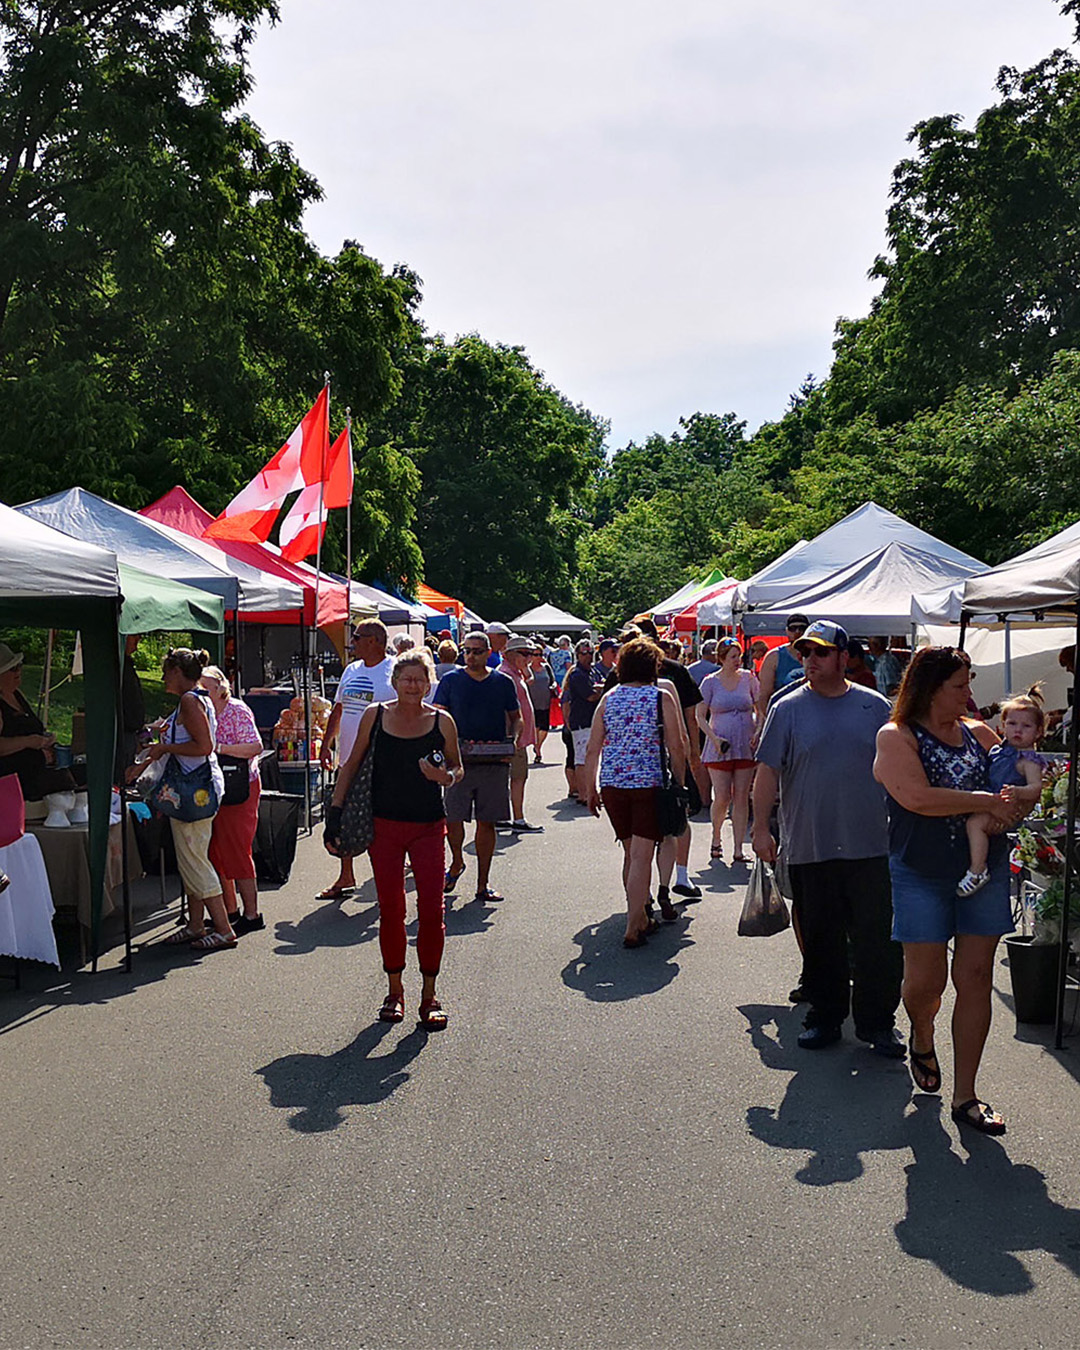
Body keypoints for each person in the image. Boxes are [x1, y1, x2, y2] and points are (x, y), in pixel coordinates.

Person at [873, 646, 1016, 1135]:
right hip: (921, 870)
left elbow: (1012, 788)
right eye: (960, 685)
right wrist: (982, 802)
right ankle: (922, 1028)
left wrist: (1015, 803)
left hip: (984, 869)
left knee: (974, 977)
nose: (969, 694)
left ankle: (966, 1095)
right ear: (930, 687)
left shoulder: (980, 734)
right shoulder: (896, 736)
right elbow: (916, 798)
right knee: (925, 983)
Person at [752, 621, 904, 1054]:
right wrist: (760, 829)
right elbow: (767, 772)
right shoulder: (788, 708)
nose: (811, 661)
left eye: (820, 652)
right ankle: (825, 1017)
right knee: (822, 939)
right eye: (805, 653)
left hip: (871, 845)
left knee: (878, 941)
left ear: (844, 658)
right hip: (809, 845)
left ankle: (877, 1022)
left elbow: (899, 768)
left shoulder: (874, 707)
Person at [326, 649, 463, 1028]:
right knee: (392, 911)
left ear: (429, 682)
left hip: (429, 826)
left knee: (433, 913)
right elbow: (351, 765)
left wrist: (445, 778)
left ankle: (429, 994)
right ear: (395, 681)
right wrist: (334, 815)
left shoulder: (442, 721)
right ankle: (395, 990)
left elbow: (457, 766)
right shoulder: (376, 715)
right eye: (406, 678)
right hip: (383, 826)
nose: (413, 685)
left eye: (420, 679)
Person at [582, 637, 687, 947]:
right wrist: (679, 782)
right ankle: (633, 925)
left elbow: (592, 748)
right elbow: (676, 745)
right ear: (652, 667)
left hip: (613, 785)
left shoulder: (609, 698)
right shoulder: (660, 698)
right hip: (647, 783)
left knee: (630, 853)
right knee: (642, 856)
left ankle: (641, 915)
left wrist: (590, 788)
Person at [138, 648, 235, 952]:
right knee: (191, 858)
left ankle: (223, 929)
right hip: (201, 790)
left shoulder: (188, 701)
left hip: (194, 792)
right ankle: (195, 924)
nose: (164, 677)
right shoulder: (199, 698)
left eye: (166, 671)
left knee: (194, 860)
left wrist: (165, 750)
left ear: (178, 671)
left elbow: (204, 746)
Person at [433, 632, 521, 902]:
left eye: (477, 651)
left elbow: (515, 718)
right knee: (453, 817)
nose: (471, 656)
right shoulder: (451, 681)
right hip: (458, 761)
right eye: (467, 651)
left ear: (488, 653)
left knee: (487, 822)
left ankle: (483, 884)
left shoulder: (503, 682)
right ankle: (457, 861)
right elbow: (437, 715)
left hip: (494, 760)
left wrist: (513, 742)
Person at [318, 621, 395, 899]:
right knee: (344, 815)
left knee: (382, 818)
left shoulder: (394, 671)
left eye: (357, 637)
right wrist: (327, 744)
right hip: (348, 757)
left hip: (382, 760)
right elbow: (338, 709)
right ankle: (346, 875)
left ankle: (385, 875)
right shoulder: (351, 670)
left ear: (374, 640)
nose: (352, 642)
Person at [959, 687, 1048, 897]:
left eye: (1026, 726)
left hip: (1007, 805)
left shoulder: (1028, 760)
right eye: (1012, 724)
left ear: (1038, 732)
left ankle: (978, 869)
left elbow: (1036, 788)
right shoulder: (999, 750)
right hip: (991, 799)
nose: (1018, 730)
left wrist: (1018, 792)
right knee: (971, 824)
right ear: (1002, 726)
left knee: (975, 824)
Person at [199, 665, 265, 935]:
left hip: (240, 787)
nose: (200, 693)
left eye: (205, 689)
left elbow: (256, 746)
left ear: (220, 688)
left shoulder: (236, 710)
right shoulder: (201, 711)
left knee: (237, 849)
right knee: (215, 851)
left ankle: (252, 913)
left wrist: (220, 748)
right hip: (214, 787)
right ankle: (229, 910)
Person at [697, 637, 759, 863]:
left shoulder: (749, 679)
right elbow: (699, 715)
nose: (737, 661)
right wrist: (713, 738)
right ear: (721, 659)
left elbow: (759, 706)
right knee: (722, 796)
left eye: (739, 656)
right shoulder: (710, 682)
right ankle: (716, 838)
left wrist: (758, 731)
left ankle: (738, 848)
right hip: (720, 747)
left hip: (744, 744)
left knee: (742, 796)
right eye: (733, 656)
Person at [0, 641, 79, 803]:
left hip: (32, 780)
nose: (18, 671)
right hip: (11, 785)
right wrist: (30, 742)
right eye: (12, 669)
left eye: (19, 665)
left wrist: (45, 741)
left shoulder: (17, 695)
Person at [497, 636, 543, 832]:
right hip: (513, 738)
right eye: (525, 653)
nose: (529, 657)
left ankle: (505, 818)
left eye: (530, 653)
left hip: (516, 737)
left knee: (514, 777)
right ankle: (517, 819)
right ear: (510, 655)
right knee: (517, 777)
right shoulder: (507, 676)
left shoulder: (513, 673)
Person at [565, 638, 601, 800]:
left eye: (591, 653)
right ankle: (583, 794)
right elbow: (590, 696)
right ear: (577, 655)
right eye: (584, 653)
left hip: (592, 721)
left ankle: (590, 791)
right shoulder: (577, 674)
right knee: (581, 759)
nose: (588, 656)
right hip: (581, 721)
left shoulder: (593, 671)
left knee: (591, 757)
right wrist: (604, 691)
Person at [756, 614, 809, 716]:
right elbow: (764, 696)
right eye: (793, 628)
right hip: (783, 715)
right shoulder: (774, 657)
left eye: (802, 628)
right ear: (787, 631)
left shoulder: (817, 654)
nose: (797, 632)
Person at [527, 647, 556, 764]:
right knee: (536, 727)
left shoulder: (546, 668)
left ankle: (537, 745)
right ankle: (538, 751)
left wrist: (553, 686)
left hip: (546, 701)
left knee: (545, 728)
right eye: (535, 654)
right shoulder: (527, 669)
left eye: (540, 654)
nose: (539, 657)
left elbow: (553, 681)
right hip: (532, 702)